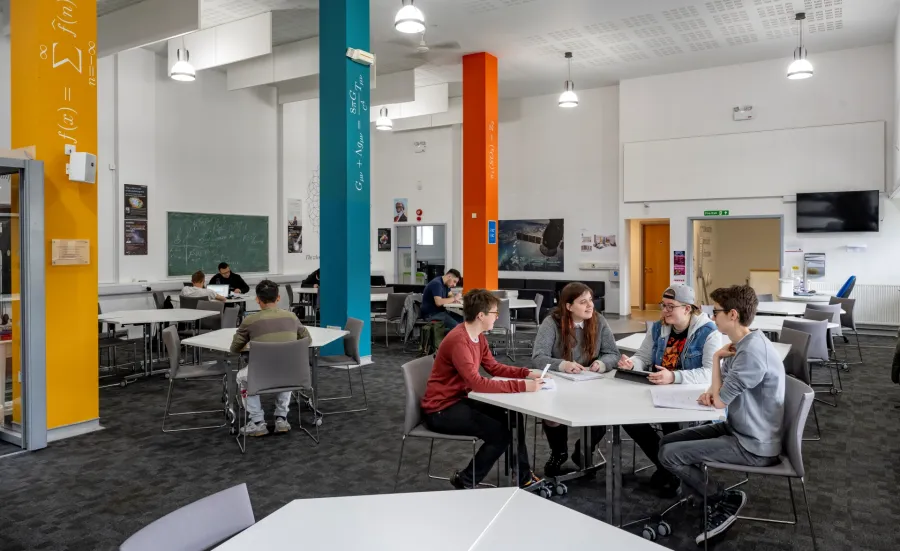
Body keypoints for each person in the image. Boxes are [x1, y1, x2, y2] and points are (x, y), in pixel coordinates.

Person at [658, 285, 785, 545]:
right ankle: (704, 497)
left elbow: (718, 401)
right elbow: (719, 392)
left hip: (753, 444)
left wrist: (716, 359)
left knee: (669, 455)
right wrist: (714, 390)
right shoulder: (744, 344)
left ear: (733, 315)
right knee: (667, 442)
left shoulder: (751, 353)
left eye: (715, 312)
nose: (711, 316)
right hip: (737, 427)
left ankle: (722, 498)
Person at [422, 289, 547, 489]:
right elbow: (477, 383)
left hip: (460, 399)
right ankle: (465, 480)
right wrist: (523, 386)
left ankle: (523, 476)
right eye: (495, 313)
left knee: (512, 416)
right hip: (441, 409)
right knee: (501, 435)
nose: (497, 317)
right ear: (481, 315)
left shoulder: (477, 336)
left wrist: (526, 373)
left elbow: (493, 367)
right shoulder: (459, 341)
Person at [616, 284, 721, 494]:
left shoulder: (709, 332)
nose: (664, 311)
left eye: (670, 306)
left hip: (690, 398)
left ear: (688, 308)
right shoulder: (658, 328)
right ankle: (667, 466)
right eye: (663, 305)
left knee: (670, 423)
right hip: (659, 391)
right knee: (627, 417)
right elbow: (643, 357)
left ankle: (671, 468)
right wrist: (632, 364)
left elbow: (710, 372)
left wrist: (674, 376)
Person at [531, 282, 620, 477]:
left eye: (590, 300)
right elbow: (538, 357)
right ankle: (559, 452)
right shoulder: (551, 323)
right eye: (583, 302)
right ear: (569, 306)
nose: (590, 306)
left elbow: (613, 353)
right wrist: (562, 364)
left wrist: (601, 364)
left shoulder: (599, 320)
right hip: (559, 383)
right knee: (551, 415)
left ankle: (584, 451)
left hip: (593, 383)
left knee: (608, 411)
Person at [231, 280, 311, 437]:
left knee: (241, 377)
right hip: (290, 374)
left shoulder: (250, 320)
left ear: (257, 300)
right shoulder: (292, 317)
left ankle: (257, 422)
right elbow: (307, 340)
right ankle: (282, 418)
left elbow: (234, 348)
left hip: (261, 374)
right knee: (286, 370)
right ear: (278, 298)